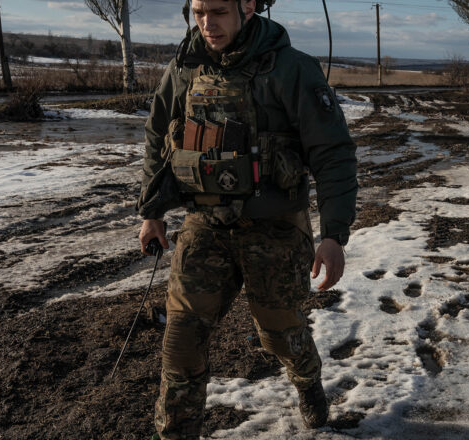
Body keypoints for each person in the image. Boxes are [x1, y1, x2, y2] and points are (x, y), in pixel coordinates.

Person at [136, 0, 357, 437]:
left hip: (274, 226)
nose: (206, 22)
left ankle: (307, 380)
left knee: (278, 333)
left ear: (249, 6)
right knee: (180, 341)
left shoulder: (291, 70)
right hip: (205, 224)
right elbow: (158, 135)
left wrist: (333, 234)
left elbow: (332, 153)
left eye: (218, 10)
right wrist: (152, 212)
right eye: (198, 11)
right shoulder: (184, 69)